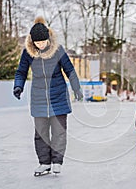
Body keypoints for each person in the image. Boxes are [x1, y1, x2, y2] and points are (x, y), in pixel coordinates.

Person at [13, 16, 83, 176]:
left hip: (58, 96)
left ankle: (57, 161)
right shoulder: (28, 53)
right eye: (38, 43)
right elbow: (21, 72)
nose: (41, 45)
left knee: (59, 131)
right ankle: (44, 163)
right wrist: (18, 86)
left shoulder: (58, 50)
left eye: (43, 41)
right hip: (38, 97)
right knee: (41, 133)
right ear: (32, 42)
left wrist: (76, 88)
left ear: (48, 39)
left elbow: (70, 70)